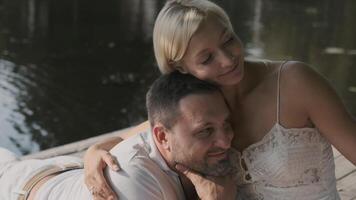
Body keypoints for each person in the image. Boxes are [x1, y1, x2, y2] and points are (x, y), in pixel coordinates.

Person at [84, 0, 356, 199]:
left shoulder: (295, 82)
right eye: (207, 58)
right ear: (180, 68)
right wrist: (92, 153)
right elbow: (131, 139)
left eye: (228, 40)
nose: (228, 59)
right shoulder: (192, 113)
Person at [0, 72, 238, 200]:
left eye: (226, 124)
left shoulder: (175, 130)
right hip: (16, 188)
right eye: (205, 131)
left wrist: (97, 148)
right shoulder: (131, 181)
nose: (226, 141)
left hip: (63, 172)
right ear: (162, 137)